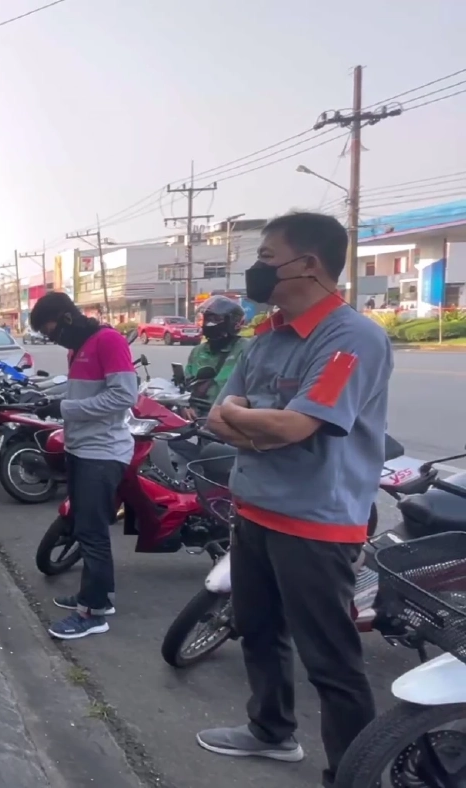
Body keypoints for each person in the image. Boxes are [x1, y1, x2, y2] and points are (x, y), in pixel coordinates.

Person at [197, 213, 390, 788]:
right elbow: (216, 414)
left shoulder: (352, 337)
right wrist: (257, 422)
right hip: (254, 509)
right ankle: (271, 731)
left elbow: (298, 427)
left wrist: (252, 422)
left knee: (331, 664)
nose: (256, 267)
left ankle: (353, 774)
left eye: (266, 255)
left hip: (315, 525)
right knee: (256, 629)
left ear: (307, 264)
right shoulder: (269, 336)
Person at [29, 291, 138, 640]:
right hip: (82, 449)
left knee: (92, 533)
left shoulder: (108, 340)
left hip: (103, 453)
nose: (52, 339)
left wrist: (65, 410)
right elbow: (83, 396)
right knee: (81, 524)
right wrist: (53, 402)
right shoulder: (78, 347)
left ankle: (93, 612)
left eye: (51, 331)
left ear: (66, 317)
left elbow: (124, 397)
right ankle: (94, 595)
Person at [184, 295, 252, 411]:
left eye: (216, 320)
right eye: (207, 319)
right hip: (197, 413)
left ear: (232, 322)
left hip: (228, 415)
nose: (209, 324)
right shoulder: (198, 351)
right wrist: (185, 406)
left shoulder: (246, 348)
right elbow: (185, 385)